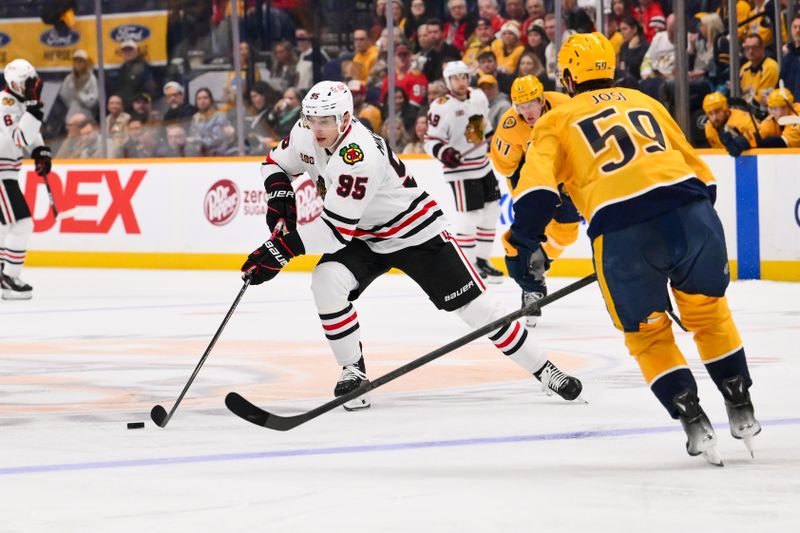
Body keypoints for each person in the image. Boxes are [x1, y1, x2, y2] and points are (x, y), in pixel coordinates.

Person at [241, 80, 584, 411]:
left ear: (346, 118)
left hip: (414, 232)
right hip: (363, 236)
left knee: (477, 310)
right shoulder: (305, 133)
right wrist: (281, 199)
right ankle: (353, 372)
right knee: (326, 281)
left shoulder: (357, 154)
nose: (317, 128)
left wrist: (279, 250)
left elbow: (334, 230)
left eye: (326, 121)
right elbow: (274, 163)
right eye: (312, 119)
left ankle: (545, 369)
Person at [507, 32, 760, 465]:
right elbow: (705, 176)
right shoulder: (646, 101)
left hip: (623, 233)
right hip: (693, 213)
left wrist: (522, 246)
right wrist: (682, 231)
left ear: (567, 77)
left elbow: (535, 195)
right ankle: (740, 404)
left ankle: (692, 417)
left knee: (647, 335)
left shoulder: (556, 119)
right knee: (709, 314)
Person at [489, 75, 579, 328]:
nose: (527, 111)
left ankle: (541, 262)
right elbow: (508, 168)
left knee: (567, 234)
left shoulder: (564, 105)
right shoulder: (509, 126)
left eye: (531, 103)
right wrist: (529, 194)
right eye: (521, 105)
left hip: (566, 175)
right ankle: (530, 283)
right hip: (532, 178)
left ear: (541, 99)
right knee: (526, 234)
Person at [424, 61, 503, 283]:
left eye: (464, 77)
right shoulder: (440, 106)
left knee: (492, 211)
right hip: (461, 171)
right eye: (456, 78)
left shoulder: (478, 96)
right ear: (448, 81)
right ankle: (467, 265)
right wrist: (445, 153)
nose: (461, 81)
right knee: (470, 218)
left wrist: (491, 137)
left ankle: (482, 260)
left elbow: (484, 128)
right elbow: (430, 140)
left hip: (482, 164)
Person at [0, 59, 52, 299]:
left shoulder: (18, 101)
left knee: (4, 226)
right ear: (12, 83)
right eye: (25, 83)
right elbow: (20, 137)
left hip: (8, 171)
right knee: (22, 223)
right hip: (1, 173)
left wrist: (39, 150)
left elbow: (29, 135)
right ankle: (9, 276)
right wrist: (34, 108)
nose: (30, 87)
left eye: (31, 82)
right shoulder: (5, 104)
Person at [702, 92, 759, 156]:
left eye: (717, 111)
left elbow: (761, 135)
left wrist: (745, 140)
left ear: (726, 109)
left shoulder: (743, 120)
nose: (714, 117)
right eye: (710, 113)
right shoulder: (708, 128)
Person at [740, 33, 779, 110]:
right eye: (747, 48)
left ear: (762, 48)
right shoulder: (744, 68)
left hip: (765, 112)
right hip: (747, 111)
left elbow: (762, 100)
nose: (750, 51)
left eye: (754, 47)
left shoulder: (770, 67)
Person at [58, 49, 98, 120]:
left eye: (81, 61)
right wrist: (72, 102)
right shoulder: (69, 78)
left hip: (87, 113)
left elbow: (94, 98)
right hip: (71, 112)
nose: (78, 63)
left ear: (85, 63)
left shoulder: (92, 78)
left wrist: (80, 96)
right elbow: (63, 94)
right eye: (76, 61)